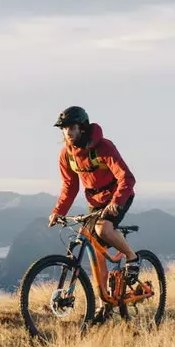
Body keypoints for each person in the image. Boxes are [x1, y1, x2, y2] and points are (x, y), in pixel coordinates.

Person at [48, 105, 141, 282]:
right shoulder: (66, 155)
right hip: (95, 201)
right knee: (96, 256)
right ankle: (103, 303)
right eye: (64, 128)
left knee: (102, 228)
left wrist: (117, 201)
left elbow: (127, 178)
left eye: (71, 128)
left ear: (82, 128)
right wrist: (58, 212)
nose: (67, 132)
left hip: (119, 195)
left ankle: (131, 257)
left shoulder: (104, 147)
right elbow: (70, 186)